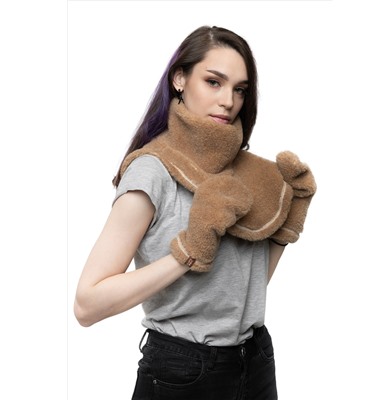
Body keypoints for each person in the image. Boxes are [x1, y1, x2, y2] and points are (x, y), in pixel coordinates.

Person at [74, 25, 316, 400]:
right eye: (213, 82)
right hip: (184, 370)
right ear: (180, 79)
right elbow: (87, 305)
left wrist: (289, 222)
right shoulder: (152, 170)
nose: (228, 101)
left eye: (240, 89)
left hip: (255, 358)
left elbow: (242, 292)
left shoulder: (253, 172)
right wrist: (189, 251)